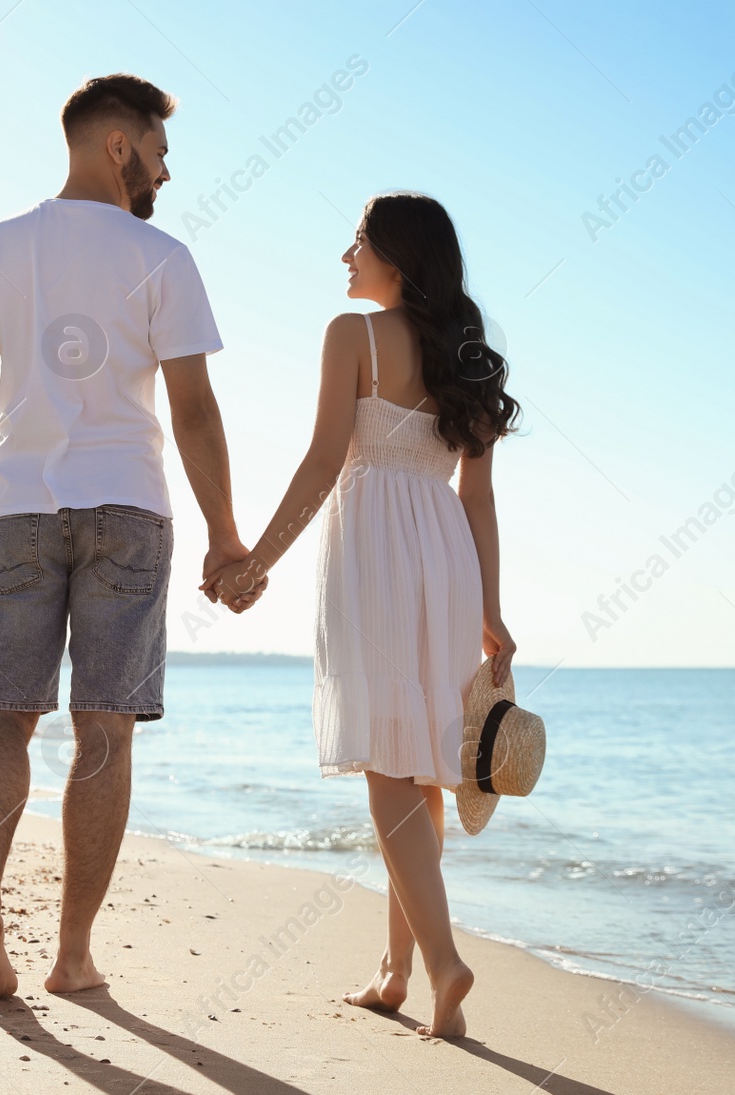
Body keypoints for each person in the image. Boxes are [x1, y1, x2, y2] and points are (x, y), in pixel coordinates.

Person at [0, 73, 262, 1000]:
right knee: (103, 732)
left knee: (2, 719)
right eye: (159, 150)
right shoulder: (163, 256)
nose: (165, 170)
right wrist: (228, 535)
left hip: (19, 506)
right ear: (120, 146)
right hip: (128, 509)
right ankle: (72, 956)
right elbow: (193, 408)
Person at [203, 192, 519, 1037]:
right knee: (423, 763)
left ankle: (446, 963)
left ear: (397, 257)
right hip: (446, 553)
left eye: (357, 242)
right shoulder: (469, 357)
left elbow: (320, 461)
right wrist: (490, 607)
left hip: (375, 546)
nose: (345, 256)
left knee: (390, 764)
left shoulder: (351, 338)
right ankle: (396, 970)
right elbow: (478, 499)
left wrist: (254, 563)